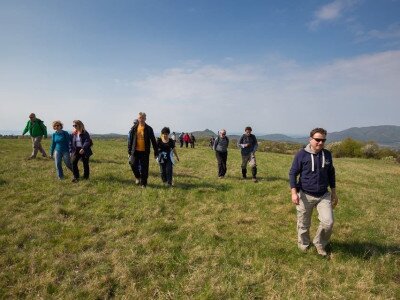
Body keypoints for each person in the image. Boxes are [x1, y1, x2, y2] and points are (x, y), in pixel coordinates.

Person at [289, 128, 338, 257]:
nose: (320, 143)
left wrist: (333, 192)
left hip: (323, 195)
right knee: (304, 224)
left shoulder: (327, 155)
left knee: (328, 222)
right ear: (310, 139)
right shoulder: (301, 155)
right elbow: (293, 173)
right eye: (317, 140)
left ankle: (319, 243)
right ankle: (303, 245)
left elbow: (331, 173)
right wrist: (294, 193)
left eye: (323, 140)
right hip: (305, 194)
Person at [128, 112, 158, 188]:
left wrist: (156, 152)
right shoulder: (134, 128)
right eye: (140, 118)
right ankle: (138, 177)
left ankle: (143, 183)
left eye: (143, 118)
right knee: (132, 164)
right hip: (135, 151)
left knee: (144, 168)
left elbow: (153, 141)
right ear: (138, 118)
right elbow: (130, 140)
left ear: (145, 119)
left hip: (145, 151)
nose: (141, 119)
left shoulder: (149, 128)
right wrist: (129, 151)